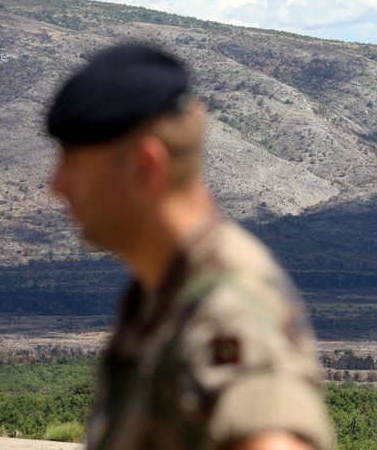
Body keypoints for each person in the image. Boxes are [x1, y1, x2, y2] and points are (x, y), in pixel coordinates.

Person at [46, 43, 335, 450]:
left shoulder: (226, 306)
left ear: (146, 167)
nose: (55, 186)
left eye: (72, 162)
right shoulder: (164, 293)